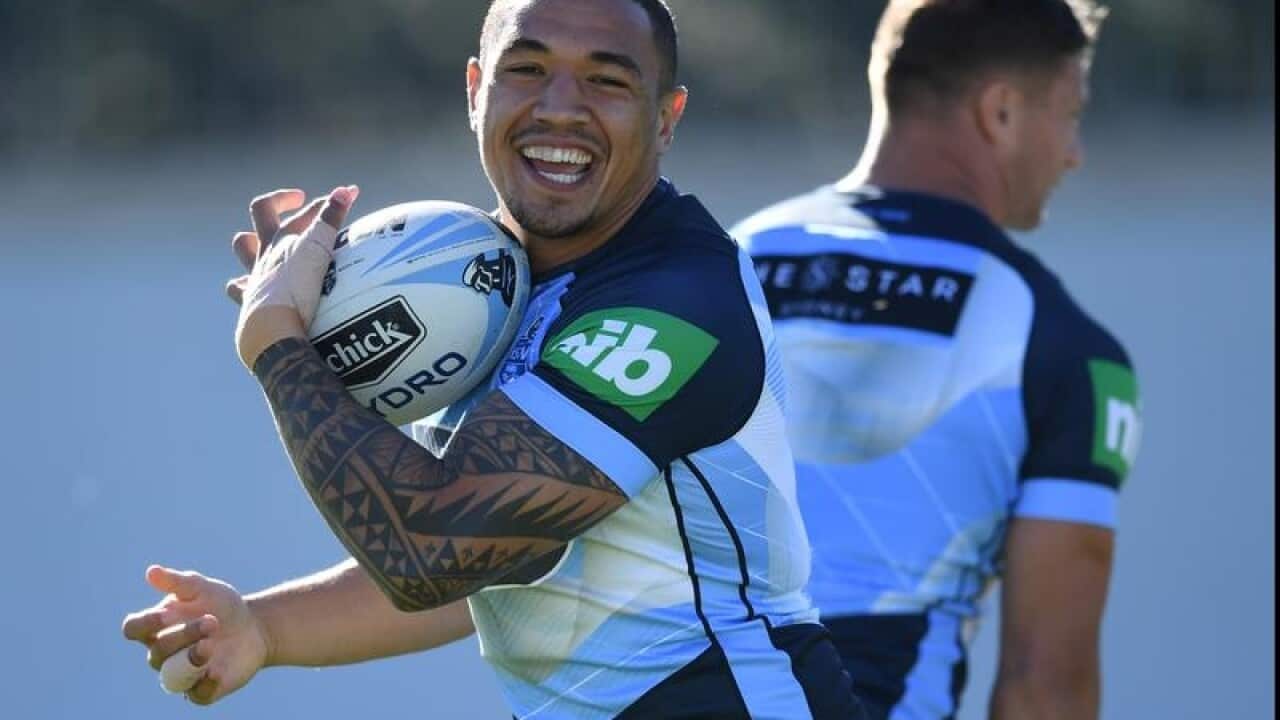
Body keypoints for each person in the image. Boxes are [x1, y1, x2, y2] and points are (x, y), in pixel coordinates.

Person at [121, 0, 865, 717]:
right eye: (528, 69)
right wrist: (264, 628)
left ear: (665, 119)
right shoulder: (482, 282)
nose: (560, 108)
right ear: (475, 90)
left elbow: (433, 551)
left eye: (607, 80)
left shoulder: (679, 302)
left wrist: (277, 343)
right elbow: (496, 559)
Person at [731, 1, 1140, 718]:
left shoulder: (723, 261)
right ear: (1001, 112)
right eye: (1070, 115)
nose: (1074, 152)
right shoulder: (1065, 345)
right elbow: (1047, 686)